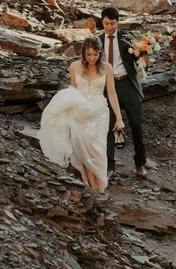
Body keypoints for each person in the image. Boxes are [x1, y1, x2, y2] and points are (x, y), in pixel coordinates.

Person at [38, 37, 125, 192]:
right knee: (82, 148)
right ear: (83, 53)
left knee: (97, 149)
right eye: (88, 55)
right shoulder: (74, 67)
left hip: (99, 113)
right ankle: (93, 188)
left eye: (95, 54)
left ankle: (97, 187)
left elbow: (112, 94)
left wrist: (119, 118)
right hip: (80, 111)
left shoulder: (107, 68)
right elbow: (73, 92)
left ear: (100, 53)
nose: (92, 58)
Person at [99, 7, 147, 179]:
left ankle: (140, 163)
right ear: (102, 22)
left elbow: (141, 58)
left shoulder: (127, 39)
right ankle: (110, 167)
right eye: (106, 23)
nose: (109, 27)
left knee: (136, 124)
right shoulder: (97, 41)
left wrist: (141, 57)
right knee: (109, 126)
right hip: (107, 86)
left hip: (127, 83)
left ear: (118, 22)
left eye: (112, 23)